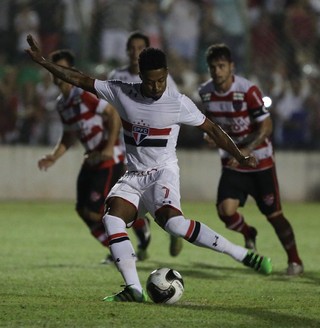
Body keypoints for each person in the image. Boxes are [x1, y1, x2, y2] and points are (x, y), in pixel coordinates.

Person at [26, 34, 273, 303]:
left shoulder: (177, 102)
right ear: (140, 76)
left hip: (162, 174)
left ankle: (242, 254)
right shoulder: (122, 92)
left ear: (167, 74)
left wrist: (239, 154)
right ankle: (133, 288)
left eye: (161, 80)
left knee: (176, 225)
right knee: (111, 219)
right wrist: (42, 62)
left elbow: (212, 128)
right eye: (150, 81)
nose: (156, 87)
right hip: (133, 176)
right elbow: (81, 79)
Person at [198, 43, 303, 276]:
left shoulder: (248, 90)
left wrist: (247, 149)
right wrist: (213, 137)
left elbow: (266, 125)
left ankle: (295, 260)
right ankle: (248, 233)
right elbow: (215, 125)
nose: (217, 71)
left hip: (259, 162)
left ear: (231, 67)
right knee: (225, 212)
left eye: (222, 66)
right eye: (213, 67)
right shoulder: (205, 92)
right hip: (233, 162)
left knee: (274, 215)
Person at [37, 49, 125, 259]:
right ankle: (115, 249)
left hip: (108, 159)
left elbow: (113, 114)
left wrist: (108, 147)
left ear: (72, 71)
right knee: (81, 210)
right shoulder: (62, 104)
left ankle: (135, 227)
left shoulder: (84, 94)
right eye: (56, 69)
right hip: (92, 159)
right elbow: (69, 137)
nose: (60, 73)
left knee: (95, 212)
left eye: (64, 69)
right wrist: (54, 156)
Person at [106, 30, 183, 262]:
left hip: (154, 152)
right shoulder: (117, 76)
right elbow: (111, 112)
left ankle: (170, 228)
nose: (134, 52)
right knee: (122, 201)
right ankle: (138, 243)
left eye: (139, 48)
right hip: (126, 146)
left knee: (137, 199)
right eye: (131, 48)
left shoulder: (164, 81)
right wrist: (109, 142)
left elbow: (174, 113)